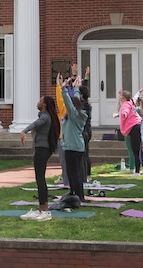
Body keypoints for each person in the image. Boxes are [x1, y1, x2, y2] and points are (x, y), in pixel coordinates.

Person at [20, 94, 61, 222]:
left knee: (40, 179)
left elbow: (36, 123)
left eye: (40, 101)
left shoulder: (45, 117)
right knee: (39, 178)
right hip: (42, 148)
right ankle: (41, 209)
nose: (38, 103)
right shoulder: (46, 116)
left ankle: (45, 210)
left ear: (44, 105)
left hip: (42, 149)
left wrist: (24, 131)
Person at [60, 74, 87, 202]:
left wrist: (63, 89)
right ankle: (76, 194)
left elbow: (69, 103)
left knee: (73, 174)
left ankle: (77, 196)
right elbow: (74, 101)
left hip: (71, 147)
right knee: (76, 173)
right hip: (78, 147)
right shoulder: (80, 114)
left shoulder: (73, 115)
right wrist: (76, 88)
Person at [113, 87, 142, 173]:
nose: (119, 98)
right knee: (135, 151)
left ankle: (136, 171)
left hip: (133, 128)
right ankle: (136, 169)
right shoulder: (131, 102)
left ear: (124, 98)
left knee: (134, 151)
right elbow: (135, 97)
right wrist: (139, 92)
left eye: (120, 96)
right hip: (136, 126)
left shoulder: (126, 105)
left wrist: (124, 114)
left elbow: (125, 111)